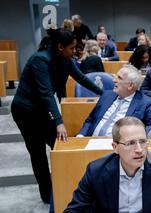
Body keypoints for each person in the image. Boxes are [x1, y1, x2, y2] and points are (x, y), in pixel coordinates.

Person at [11, 28, 103, 203]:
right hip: (25, 111)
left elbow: (81, 78)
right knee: (37, 152)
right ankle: (48, 196)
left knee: (60, 145)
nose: (74, 51)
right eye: (71, 48)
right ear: (60, 47)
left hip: (41, 110)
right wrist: (59, 122)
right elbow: (46, 93)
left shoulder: (64, 59)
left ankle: (66, 185)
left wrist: (103, 93)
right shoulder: (40, 60)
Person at [77, 65, 151, 138]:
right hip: (91, 141)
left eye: (119, 78)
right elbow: (90, 119)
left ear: (130, 85)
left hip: (119, 148)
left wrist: (136, 137)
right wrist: (81, 135)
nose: (114, 80)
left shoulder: (144, 102)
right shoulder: (107, 95)